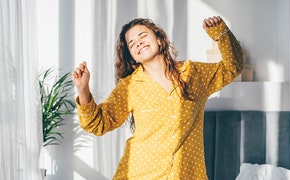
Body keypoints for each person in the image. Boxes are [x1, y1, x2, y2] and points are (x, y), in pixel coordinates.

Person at [72, 16, 243, 180]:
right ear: (133, 58)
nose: (138, 42)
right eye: (132, 44)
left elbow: (232, 67)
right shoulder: (130, 87)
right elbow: (98, 124)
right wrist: (83, 89)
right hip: (139, 175)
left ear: (160, 40)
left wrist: (221, 33)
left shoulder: (193, 74)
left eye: (143, 36)